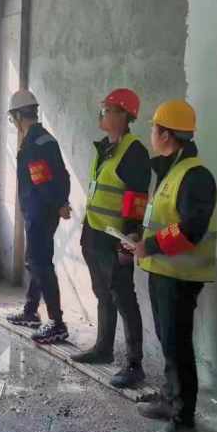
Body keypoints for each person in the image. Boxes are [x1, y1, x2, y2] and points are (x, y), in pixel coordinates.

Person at [121, 99, 217, 432]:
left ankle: (184, 422)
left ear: (165, 134)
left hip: (180, 276)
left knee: (178, 346)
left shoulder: (195, 175)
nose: (151, 134)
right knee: (168, 340)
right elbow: (164, 221)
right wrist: (139, 240)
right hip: (163, 271)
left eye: (154, 128)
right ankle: (169, 399)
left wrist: (151, 245)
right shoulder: (170, 171)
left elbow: (191, 229)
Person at [71, 89, 151, 390]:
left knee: (123, 298)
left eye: (106, 110)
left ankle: (134, 364)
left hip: (115, 239)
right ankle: (103, 348)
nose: (101, 114)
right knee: (103, 294)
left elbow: (136, 201)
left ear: (123, 116)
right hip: (94, 234)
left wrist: (128, 240)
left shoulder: (134, 152)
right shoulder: (106, 147)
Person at [4, 90, 72, 344]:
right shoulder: (45, 138)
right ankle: (31, 311)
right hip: (44, 209)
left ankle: (56, 322)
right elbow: (62, 175)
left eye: (13, 117)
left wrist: (57, 204)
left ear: (18, 115)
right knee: (36, 259)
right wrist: (61, 202)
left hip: (39, 211)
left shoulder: (33, 143)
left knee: (39, 262)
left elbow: (41, 181)